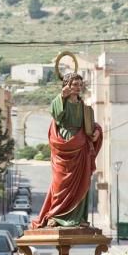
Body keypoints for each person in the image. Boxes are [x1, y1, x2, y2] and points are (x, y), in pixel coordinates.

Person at [32, 72, 102, 229]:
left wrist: (97, 130)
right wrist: (61, 97)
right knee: (60, 183)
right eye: (74, 85)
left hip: (81, 147)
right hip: (64, 146)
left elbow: (91, 124)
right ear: (67, 86)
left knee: (82, 182)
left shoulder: (85, 107)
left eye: (79, 84)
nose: (77, 88)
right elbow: (55, 114)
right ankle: (55, 215)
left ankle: (78, 218)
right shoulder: (60, 102)